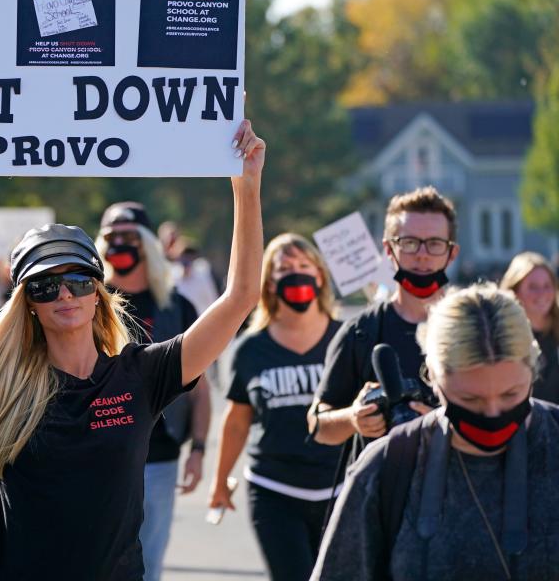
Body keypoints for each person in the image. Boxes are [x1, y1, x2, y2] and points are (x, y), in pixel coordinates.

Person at [0, 87, 265, 580]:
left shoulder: (143, 373)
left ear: (98, 292)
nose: (64, 294)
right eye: (46, 286)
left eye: (76, 281)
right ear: (28, 304)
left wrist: (246, 188)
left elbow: (241, 296)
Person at [312, 283, 559, 580]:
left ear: (533, 370)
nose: (493, 413)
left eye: (511, 394)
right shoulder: (387, 469)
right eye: (470, 398)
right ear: (433, 376)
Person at [209, 234, 342, 581]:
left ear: (320, 275)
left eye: (303, 266)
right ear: (269, 282)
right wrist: (220, 481)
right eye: (284, 269)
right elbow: (237, 421)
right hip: (274, 489)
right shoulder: (251, 348)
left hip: (342, 488)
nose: (295, 275)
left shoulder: (348, 339)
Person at [96, 201, 212, 581]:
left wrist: (197, 449)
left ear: (147, 242)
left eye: (129, 237)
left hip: (159, 456)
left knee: (147, 565)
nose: (120, 245)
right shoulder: (87, 304)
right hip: (97, 452)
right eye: (112, 238)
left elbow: (200, 388)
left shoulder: (176, 307)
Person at [308, 187, 454, 450]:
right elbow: (317, 425)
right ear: (389, 250)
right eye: (409, 243)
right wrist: (353, 418)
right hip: (380, 486)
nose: (422, 255)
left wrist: (444, 423)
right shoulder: (361, 332)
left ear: (451, 253)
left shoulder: (475, 327)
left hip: (455, 485)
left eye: (434, 243)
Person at [501, 251, 559, 404]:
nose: (542, 294)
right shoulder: (501, 336)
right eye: (533, 287)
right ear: (514, 291)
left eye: (547, 286)